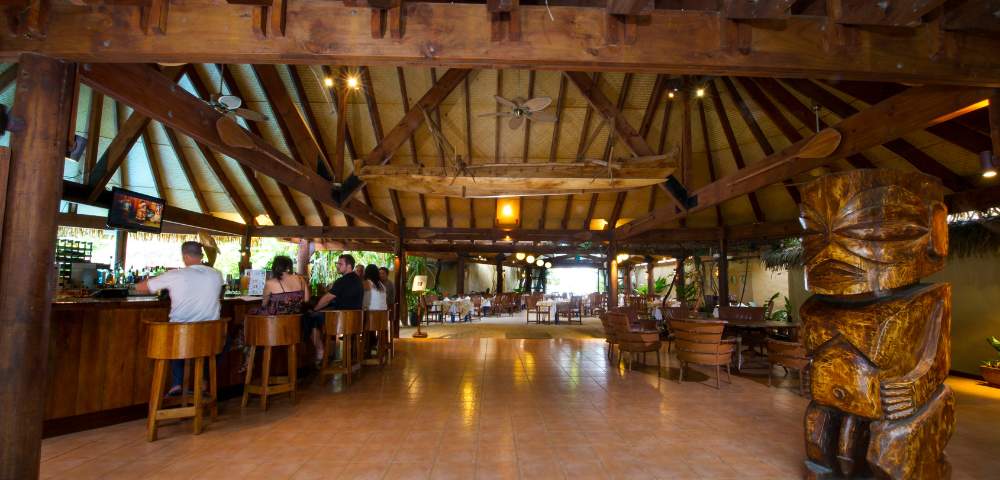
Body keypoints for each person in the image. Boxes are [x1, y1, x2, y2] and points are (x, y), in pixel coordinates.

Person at [136, 241, 225, 396]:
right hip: (210, 337)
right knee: (225, 341)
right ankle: (203, 379)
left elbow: (141, 287)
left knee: (174, 334)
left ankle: (177, 383)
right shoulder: (217, 274)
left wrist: (159, 279)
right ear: (201, 256)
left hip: (180, 337)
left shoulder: (176, 275)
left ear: (185, 256)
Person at [306, 254, 364, 365]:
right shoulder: (358, 280)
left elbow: (327, 298)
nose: (337, 266)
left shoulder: (342, 281)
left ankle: (320, 352)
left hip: (341, 320)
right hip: (355, 321)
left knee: (310, 317)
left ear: (349, 266)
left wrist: (314, 309)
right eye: (337, 263)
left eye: (340, 264)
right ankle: (329, 352)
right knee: (318, 315)